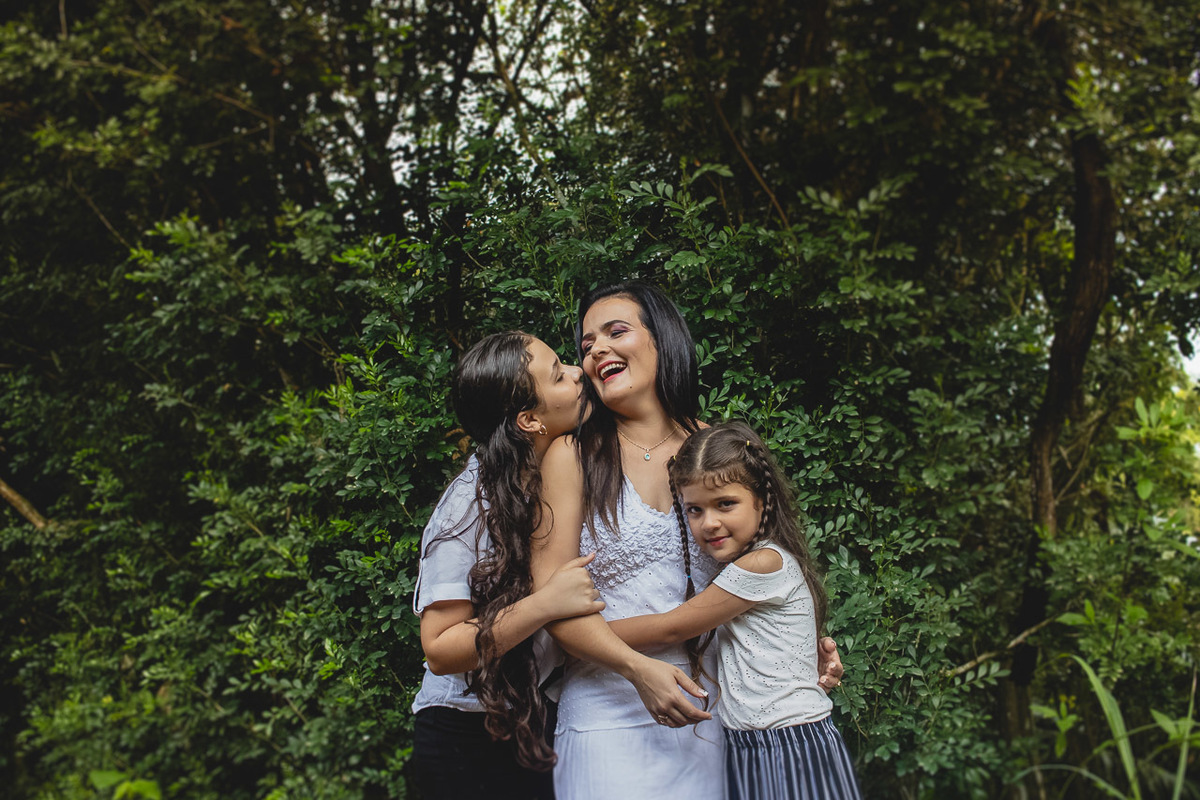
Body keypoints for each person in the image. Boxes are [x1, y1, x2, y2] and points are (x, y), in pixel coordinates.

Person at [531, 283, 844, 800]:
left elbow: (765, 568)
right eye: (587, 346)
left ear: (662, 340)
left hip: (713, 714)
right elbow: (552, 607)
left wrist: (802, 648)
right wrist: (636, 669)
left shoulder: (715, 450)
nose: (597, 351)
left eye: (616, 332)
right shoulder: (573, 454)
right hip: (607, 714)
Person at [411, 330, 706, 799]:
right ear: (529, 419)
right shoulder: (470, 501)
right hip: (464, 734)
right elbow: (441, 650)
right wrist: (544, 604)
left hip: (536, 720)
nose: (578, 372)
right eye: (559, 375)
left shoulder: (557, 472)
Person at [609, 421, 862, 800]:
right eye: (694, 509)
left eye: (725, 503)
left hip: (790, 743)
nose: (709, 522)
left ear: (762, 499)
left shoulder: (761, 564)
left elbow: (671, 628)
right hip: (753, 743)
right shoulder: (750, 562)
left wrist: (581, 633)